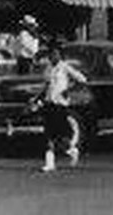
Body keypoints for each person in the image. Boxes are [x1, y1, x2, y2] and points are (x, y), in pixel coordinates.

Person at [38, 41, 87, 172]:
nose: (53, 57)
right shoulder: (48, 68)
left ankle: (71, 150)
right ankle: (50, 163)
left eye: (55, 54)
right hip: (49, 103)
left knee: (60, 135)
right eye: (51, 54)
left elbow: (82, 80)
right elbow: (46, 86)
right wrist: (38, 98)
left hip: (61, 105)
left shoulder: (65, 67)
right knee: (48, 134)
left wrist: (68, 90)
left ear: (60, 55)